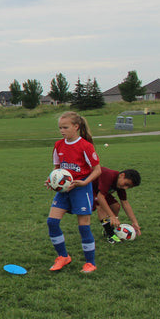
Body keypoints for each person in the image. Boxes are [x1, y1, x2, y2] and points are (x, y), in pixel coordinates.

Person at [46, 111, 101, 273]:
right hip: (64, 191)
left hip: (81, 189)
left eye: (65, 127)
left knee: (83, 226)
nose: (62, 131)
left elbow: (97, 170)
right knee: (52, 222)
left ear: (76, 127)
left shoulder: (85, 146)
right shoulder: (58, 145)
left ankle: (90, 263)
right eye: (60, 128)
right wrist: (52, 180)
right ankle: (63, 256)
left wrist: (84, 182)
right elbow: (57, 168)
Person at [94, 167, 141, 241]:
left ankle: (109, 229)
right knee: (100, 206)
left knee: (116, 206)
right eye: (126, 184)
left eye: (128, 187)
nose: (125, 188)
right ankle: (110, 234)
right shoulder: (109, 175)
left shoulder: (120, 183)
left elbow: (125, 203)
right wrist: (111, 216)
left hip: (99, 190)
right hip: (88, 187)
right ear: (122, 175)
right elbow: (100, 197)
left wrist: (134, 222)